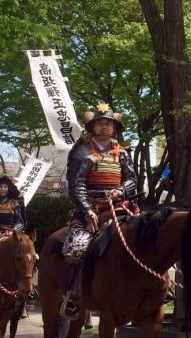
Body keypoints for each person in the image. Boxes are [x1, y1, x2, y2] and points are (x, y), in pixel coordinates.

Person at [61, 103, 137, 320]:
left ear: (115, 128)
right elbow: (75, 184)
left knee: (148, 235)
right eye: (100, 123)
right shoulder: (82, 150)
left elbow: (132, 179)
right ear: (93, 126)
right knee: (76, 247)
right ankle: (71, 297)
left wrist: (121, 190)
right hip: (91, 207)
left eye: (109, 124)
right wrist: (86, 210)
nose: (105, 127)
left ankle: (155, 287)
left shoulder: (122, 151)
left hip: (120, 206)